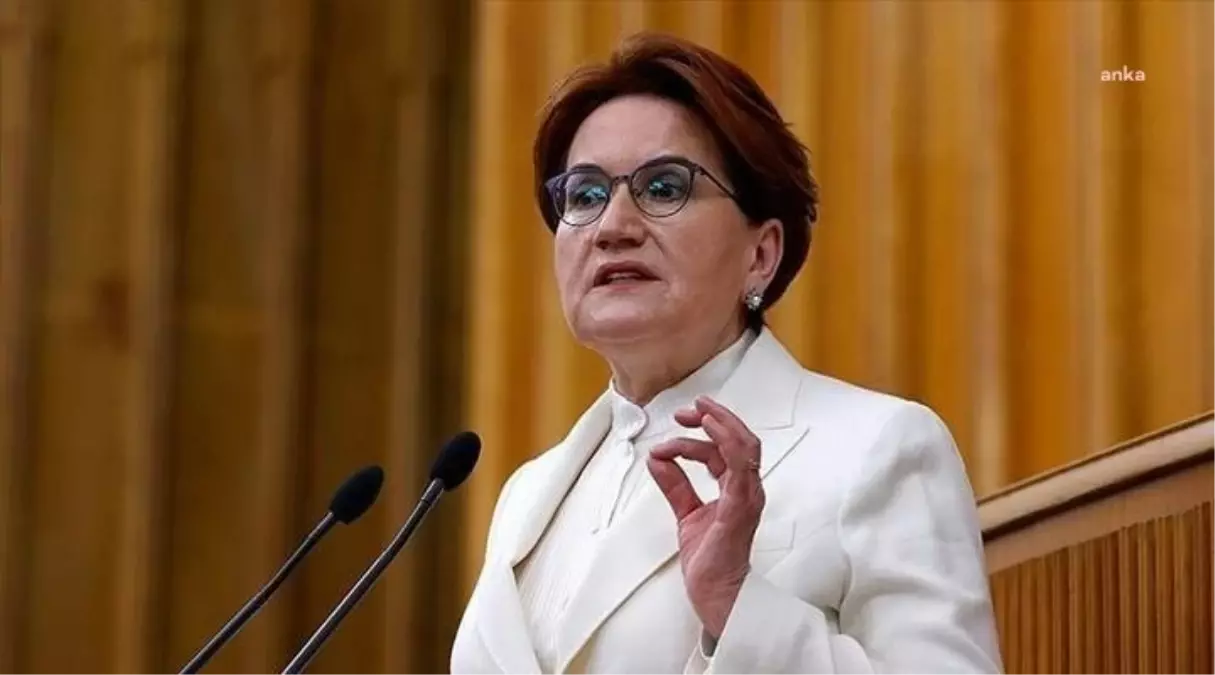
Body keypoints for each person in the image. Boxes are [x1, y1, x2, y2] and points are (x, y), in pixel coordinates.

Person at [451, 32, 1003, 675]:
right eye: (585, 195)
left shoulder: (877, 447)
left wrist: (740, 607)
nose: (613, 227)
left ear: (760, 255)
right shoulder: (527, 495)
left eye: (664, 187)